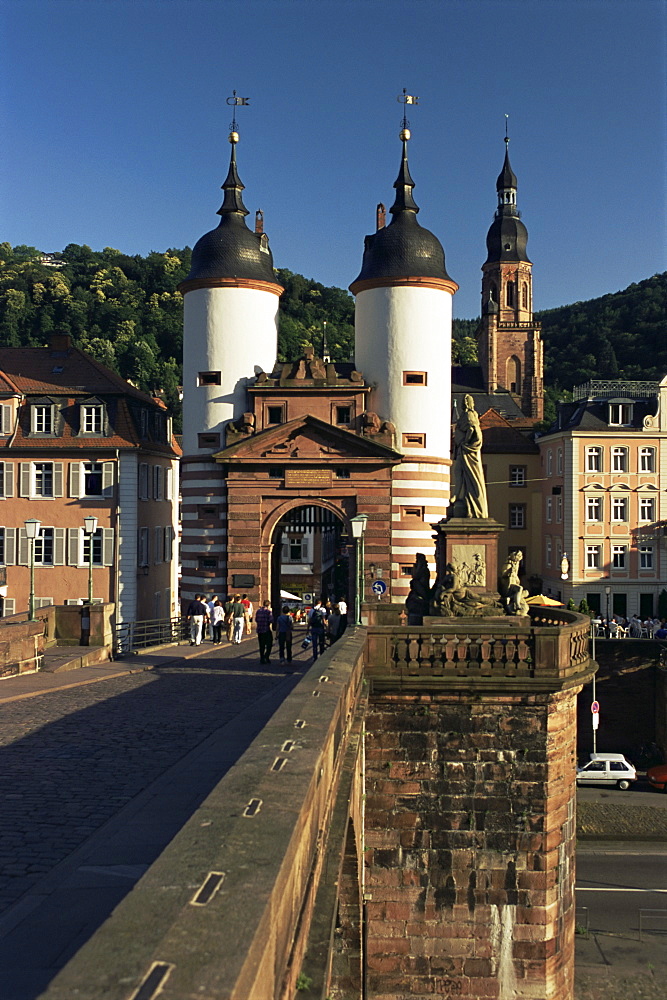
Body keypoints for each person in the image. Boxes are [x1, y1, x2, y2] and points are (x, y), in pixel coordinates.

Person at [450, 394, 489, 519]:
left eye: (465, 402)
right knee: (459, 471)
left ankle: (458, 495)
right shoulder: (464, 415)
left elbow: (473, 429)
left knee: (465, 472)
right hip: (463, 449)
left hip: (467, 450)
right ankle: (457, 494)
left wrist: (465, 442)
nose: (463, 403)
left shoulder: (470, 414)